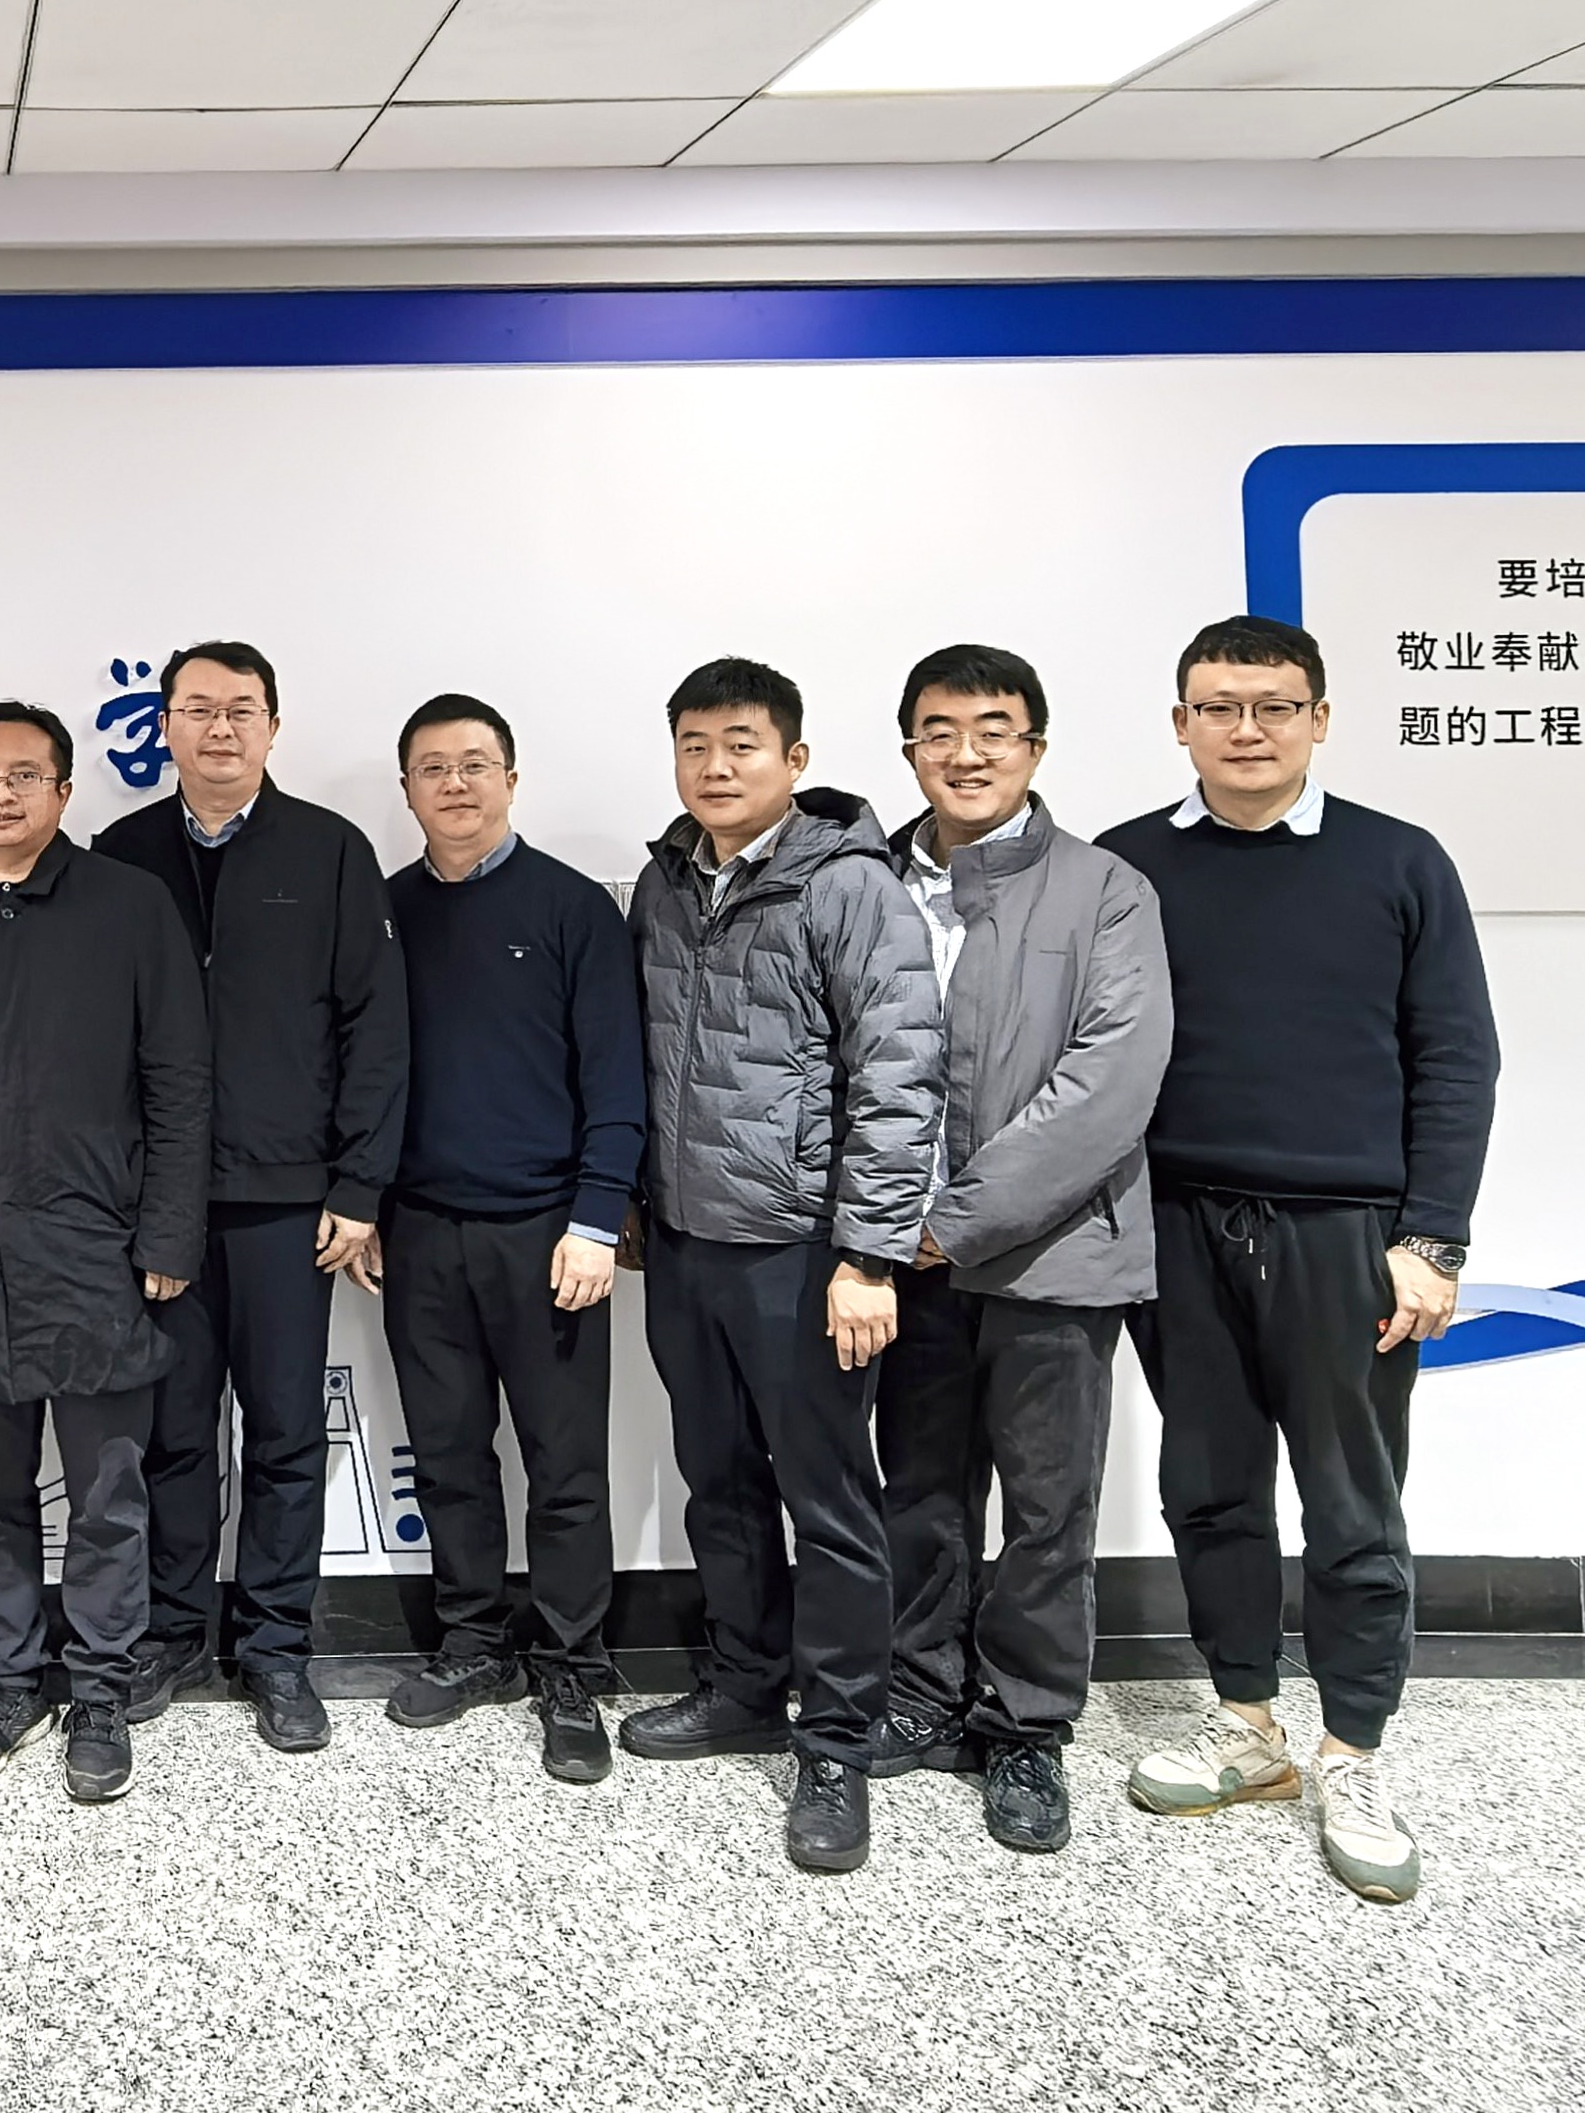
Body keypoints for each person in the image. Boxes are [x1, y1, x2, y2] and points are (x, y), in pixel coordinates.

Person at [1104, 615, 1497, 1905]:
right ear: (1179, 723)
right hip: (1175, 1223)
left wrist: (1429, 1236)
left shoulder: (1398, 860)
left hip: (1345, 1234)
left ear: (1318, 717)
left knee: (1349, 1504)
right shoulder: (1125, 865)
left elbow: (1456, 1058)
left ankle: (1353, 1753)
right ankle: (1246, 1727)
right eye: (1216, 707)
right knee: (1207, 1487)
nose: (1246, 729)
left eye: (1273, 705)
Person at [623, 658, 943, 1875]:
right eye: (693, 744)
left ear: (793, 760)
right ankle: (743, 1684)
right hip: (686, 1245)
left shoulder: (847, 885)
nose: (714, 766)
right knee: (716, 1481)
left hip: (804, 1254)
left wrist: (866, 1254)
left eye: (740, 744)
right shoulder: (663, 883)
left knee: (828, 1500)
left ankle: (837, 1740)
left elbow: (898, 1078)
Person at [876, 647, 1171, 1857]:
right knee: (919, 1492)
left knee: (1047, 1510)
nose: (965, 753)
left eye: (992, 729)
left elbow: (1107, 1083)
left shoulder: (1106, 888)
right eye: (937, 731)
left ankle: (1023, 1727)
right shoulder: (866, 884)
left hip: (1050, 1254)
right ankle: (918, 1692)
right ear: (907, 748)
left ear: (1033, 748)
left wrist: (950, 1222)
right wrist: (878, 1224)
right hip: (897, 1262)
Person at [93, 642, 405, 1754]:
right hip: (161, 1207)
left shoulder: (329, 849)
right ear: (163, 727)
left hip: (289, 1200)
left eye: (240, 709)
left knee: (282, 1430)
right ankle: (175, 1631)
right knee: (173, 1432)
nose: (218, 728)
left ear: (273, 726)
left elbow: (376, 1026)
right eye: (196, 709)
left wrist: (359, 1183)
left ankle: (275, 1645)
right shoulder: (122, 855)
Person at [0, 702, 211, 1807]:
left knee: (106, 1497)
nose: (1, 793)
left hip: (98, 1253)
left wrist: (169, 1233)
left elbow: (180, 1079)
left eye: (24, 775)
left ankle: (100, 1690)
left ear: (64, 792)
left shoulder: (128, 906)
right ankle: (8, 1683)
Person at [376, 694, 645, 1786]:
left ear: (511, 779)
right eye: (432, 768)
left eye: (475, 764)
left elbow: (617, 1082)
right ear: (405, 789)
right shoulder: (382, 912)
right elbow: (356, 1074)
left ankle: (571, 1664)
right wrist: (364, 1201)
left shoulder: (573, 908)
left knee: (564, 1465)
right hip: (418, 1232)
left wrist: (595, 1218)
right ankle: (473, 1643)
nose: (455, 784)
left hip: (548, 1235)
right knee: (447, 1456)